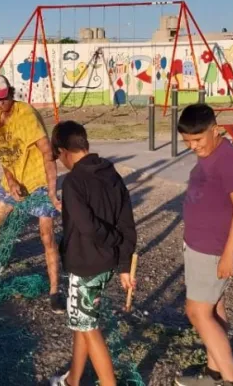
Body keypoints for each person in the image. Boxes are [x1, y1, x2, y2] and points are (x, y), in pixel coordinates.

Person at [47, 121, 137, 386]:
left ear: (63, 151)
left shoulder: (74, 181)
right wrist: (122, 264)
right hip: (106, 266)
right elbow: (127, 223)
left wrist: (111, 242)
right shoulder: (111, 174)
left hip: (86, 266)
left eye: (58, 156)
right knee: (82, 320)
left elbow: (87, 227)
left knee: (88, 327)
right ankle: (72, 380)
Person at [0, 74, 65, 313]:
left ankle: (55, 290)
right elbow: (3, 157)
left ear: (11, 93)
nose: (1, 103)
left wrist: (53, 193)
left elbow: (48, 153)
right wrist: (11, 180)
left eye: (4, 98)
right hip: (12, 183)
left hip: (39, 182)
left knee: (46, 235)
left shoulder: (26, 115)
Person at [174, 104, 233, 386]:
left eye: (198, 140)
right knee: (214, 309)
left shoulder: (229, 160)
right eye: (188, 142)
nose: (194, 146)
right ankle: (213, 374)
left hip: (213, 249)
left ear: (215, 130)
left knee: (196, 312)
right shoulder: (211, 153)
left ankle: (231, 381)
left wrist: (228, 255)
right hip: (198, 244)